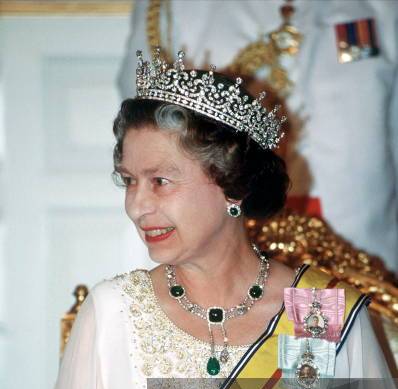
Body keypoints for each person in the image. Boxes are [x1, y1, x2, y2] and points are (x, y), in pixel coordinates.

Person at [0, 48, 397, 389]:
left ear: (231, 186)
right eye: (128, 181)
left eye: (161, 180)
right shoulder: (112, 314)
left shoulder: (320, 315)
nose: (138, 206)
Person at [118, 0, 398, 272]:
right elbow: (148, 125)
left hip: (355, 234)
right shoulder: (172, 7)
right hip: (224, 235)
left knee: (337, 315)